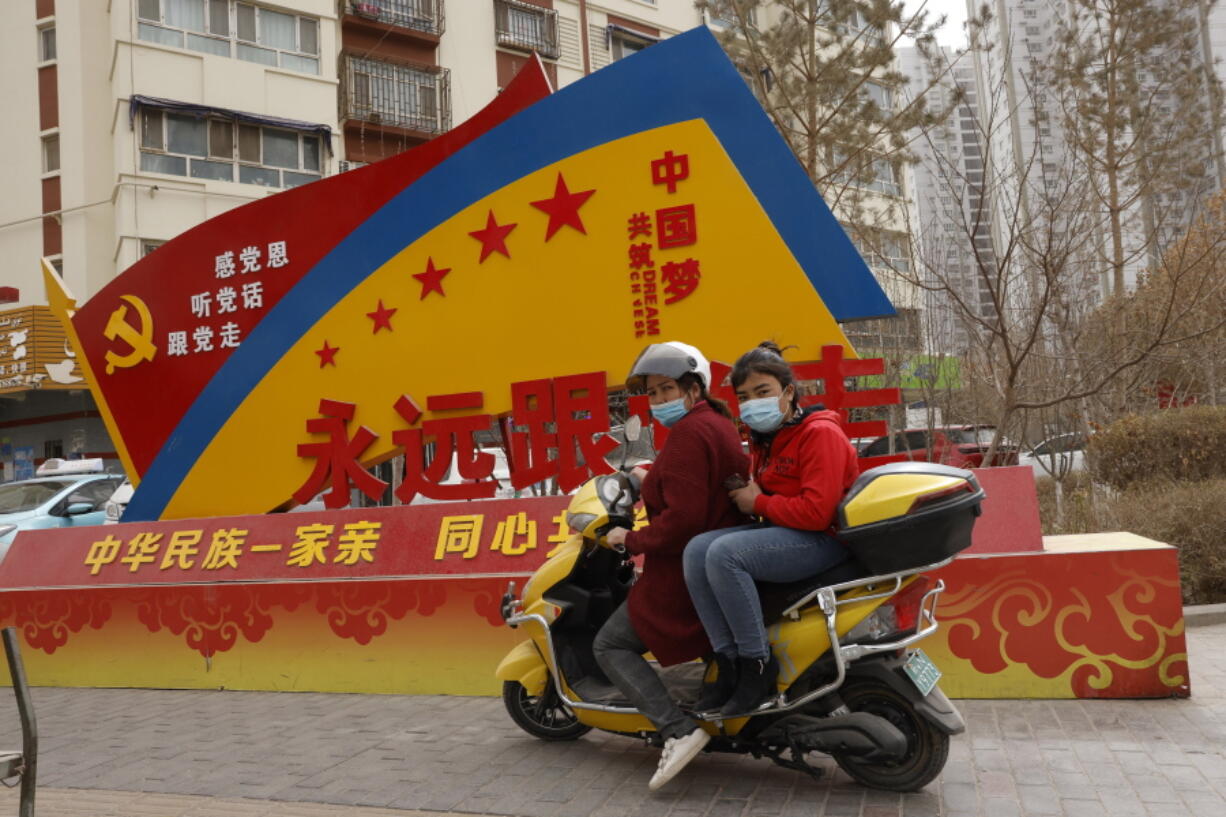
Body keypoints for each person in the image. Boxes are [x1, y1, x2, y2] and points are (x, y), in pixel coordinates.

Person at [593, 341, 748, 791]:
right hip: (715, 558)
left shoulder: (686, 435)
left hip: (683, 571)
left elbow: (682, 521)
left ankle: (677, 729)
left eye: (667, 390)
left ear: (693, 390)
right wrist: (650, 477)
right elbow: (693, 486)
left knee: (610, 645)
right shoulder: (715, 424)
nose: (659, 401)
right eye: (653, 394)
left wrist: (631, 538)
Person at [683, 341, 858, 716]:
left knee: (725, 555)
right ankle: (727, 664)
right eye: (744, 397)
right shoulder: (769, 439)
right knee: (696, 550)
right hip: (790, 534)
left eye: (763, 392)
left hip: (824, 539)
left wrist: (757, 502)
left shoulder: (819, 434)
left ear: (788, 392)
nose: (752, 404)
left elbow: (816, 512)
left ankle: (758, 666)